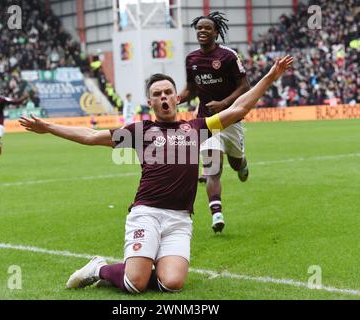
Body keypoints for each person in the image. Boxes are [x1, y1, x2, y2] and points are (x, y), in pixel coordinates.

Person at [19, 56, 293, 294]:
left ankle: (146, 262)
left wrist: (270, 76)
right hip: (146, 213)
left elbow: (239, 109)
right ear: (150, 102)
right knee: (136, 283)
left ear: (177, 97)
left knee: (172, 283)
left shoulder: (196, 127)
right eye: (157, 94)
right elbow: (91, 136)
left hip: (179, 219)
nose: (164, 98)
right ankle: (99, 268)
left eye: (168, 92)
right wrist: (48, 127)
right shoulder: (141, 131)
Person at [179, 12, 251, 233]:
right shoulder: (191, 60)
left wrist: (225, 103)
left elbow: (245, 87)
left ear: (216, 32)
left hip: (231, 119)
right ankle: (217, 213)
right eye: (199, 28)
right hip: (206, 121)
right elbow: (191, 90)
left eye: (207, 28)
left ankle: (242, 163)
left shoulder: (228, 56)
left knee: (235, 163)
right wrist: (175, 99)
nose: (202, 31)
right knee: (212, 168)